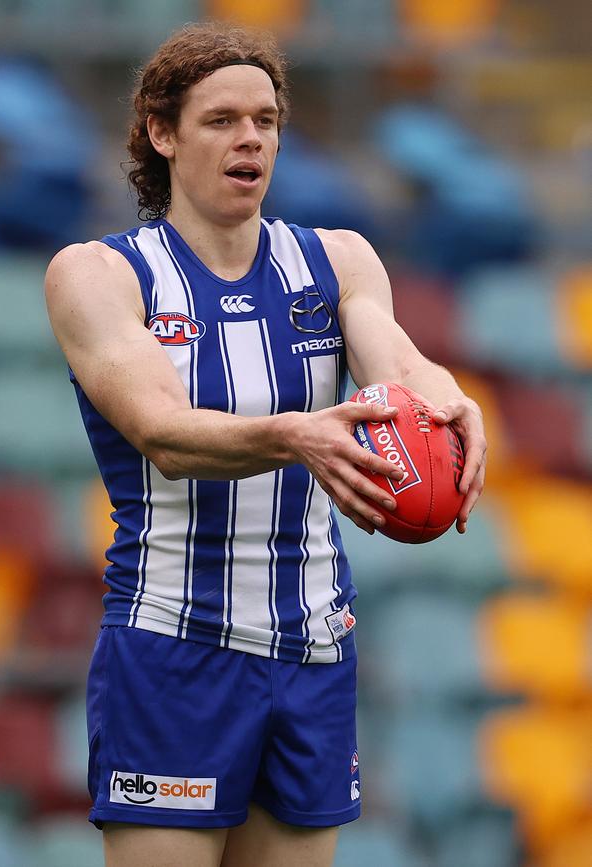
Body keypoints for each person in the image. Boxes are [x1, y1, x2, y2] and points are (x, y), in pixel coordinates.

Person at [45, 21, 486, 867]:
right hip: (175, 644)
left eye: (267, 119)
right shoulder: (99, 274)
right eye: (220, 120)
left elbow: (398, 364)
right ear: (162, 133)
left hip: (312, 648)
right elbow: (162, 432)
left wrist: (452, 402)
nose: (250, 137)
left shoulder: (338, 259)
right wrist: (297, 435)